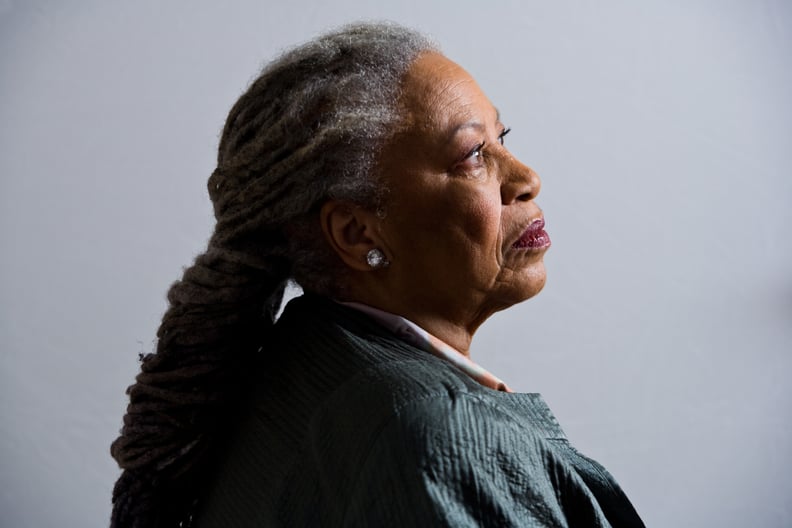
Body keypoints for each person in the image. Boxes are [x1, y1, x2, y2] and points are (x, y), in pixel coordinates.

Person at [110, 22, 645, 528]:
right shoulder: (438, 436)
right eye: (473, 154)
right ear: (358, 234)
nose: (527, 178)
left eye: (502, 137)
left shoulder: (300, 357)